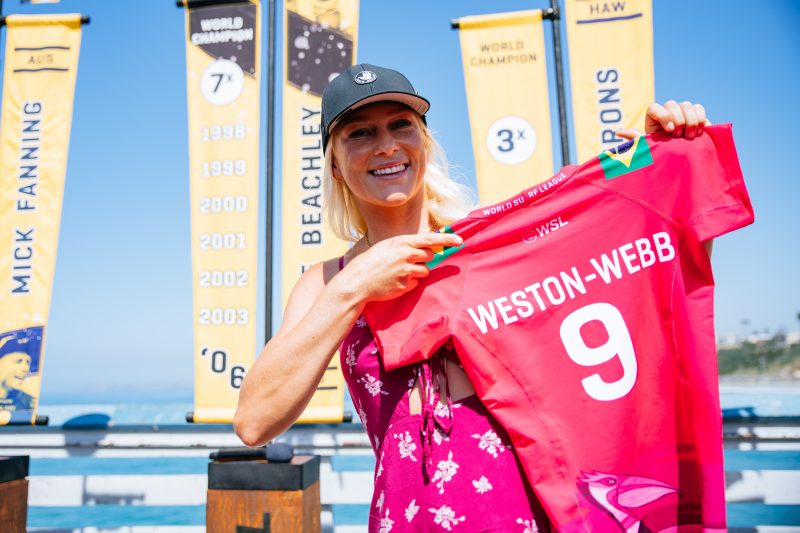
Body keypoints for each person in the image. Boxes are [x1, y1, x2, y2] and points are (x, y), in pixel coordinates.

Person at [234, 63, 710, 531]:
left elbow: (646, 279)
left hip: (525, 510)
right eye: (359, 133)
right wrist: (355, 286)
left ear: (424, 142)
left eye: (402, 125)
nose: (386, 145)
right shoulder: (326, 283)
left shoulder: (490, 246)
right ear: (334, 164)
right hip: (408, 517)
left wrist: (658, 168)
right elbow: (255, 422)